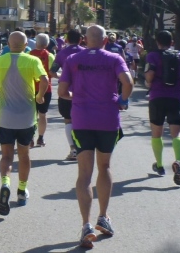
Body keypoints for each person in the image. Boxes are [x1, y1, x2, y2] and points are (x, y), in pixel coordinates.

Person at [58, 25, 133, 249]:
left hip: (82, 119)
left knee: (84, 173)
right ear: (105, 40)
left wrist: (77, 97)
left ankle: (86, 225)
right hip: (107, 119)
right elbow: (128, 83)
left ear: (84, 39)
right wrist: (122, 101)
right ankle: (103, 217)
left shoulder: (72, 59)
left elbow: (62, 92)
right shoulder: (114, 58)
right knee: (105, 166)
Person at [0, 31, 48, 215]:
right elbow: (44, 80)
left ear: (8, 44)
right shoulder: (32, 60)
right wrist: (40, 96)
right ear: (26, 44)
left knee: (6, 156)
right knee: (24, 156)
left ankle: (5, 184)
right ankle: (21, 190)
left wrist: (1, 87)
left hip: (5, 118)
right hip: (26, 118)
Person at [145, 30, 180, 186]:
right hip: (175, 98)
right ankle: (178, 161)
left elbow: (149, 75)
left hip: (157, 98)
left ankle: (159, 165)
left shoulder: (152, 56)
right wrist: (179, 80)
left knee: (156, 133)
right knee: (176, 133)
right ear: (172, 42)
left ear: (157, 42)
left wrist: (148, 82)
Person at [50, 29, 85, 160]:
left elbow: (52, 71)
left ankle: (73, 149)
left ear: (66, 40)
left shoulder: (61, 53)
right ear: (80, 40)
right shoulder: (85, 52)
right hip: (83, 92)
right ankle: (83, 149)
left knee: (68, 120)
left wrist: (62, 76)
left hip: (65, 92)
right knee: (82, 120)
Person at [29, 33, 54, 147]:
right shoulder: (50, 56)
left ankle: (30, 138)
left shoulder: (29, 55)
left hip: (31, 88)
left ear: (36, 42)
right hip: (46, 89)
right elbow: (52, 73)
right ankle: (41, 138)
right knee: (42, 114)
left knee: (31, 115)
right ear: (47, 44)